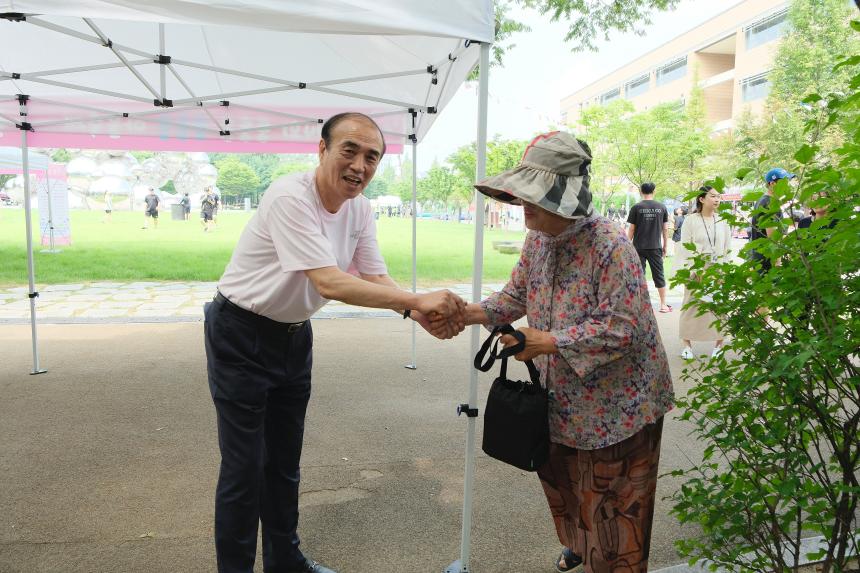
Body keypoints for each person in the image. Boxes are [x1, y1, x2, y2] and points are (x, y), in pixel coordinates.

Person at [204, 112, 466, 573]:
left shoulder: (360, 209)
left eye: (372, 157)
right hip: (239, 333)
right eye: (350, 150)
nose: (360, 166)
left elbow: (372, 273)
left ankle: (285, 560)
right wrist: (415, 299)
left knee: (284, 462)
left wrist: (414, 310)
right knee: (245, 469)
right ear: (321, 149)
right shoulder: (290, 196)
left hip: (293, 335)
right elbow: (330, 282)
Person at [444, 131, 674, 573]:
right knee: (568, 492)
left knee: (615, 512)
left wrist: (547, 340)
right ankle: (582, 549)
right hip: (562, 403)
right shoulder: (539, 240)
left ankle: (607, 561)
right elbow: (514, 296)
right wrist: (464, 313)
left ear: (565, 197)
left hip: (619, 411)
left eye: (533, 194)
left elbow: (620, 328)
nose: (521, 203)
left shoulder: (611, 247)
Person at [676, 186, 732, 360]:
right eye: (712, 196)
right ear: (701, 199)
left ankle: (719, 345)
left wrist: (723, 271)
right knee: (691, 306)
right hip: (696, 269)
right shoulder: (691, 220)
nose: (717, 199)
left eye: (718, 196)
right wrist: (696, 269)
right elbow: (685, 246)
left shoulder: (722, 220)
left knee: (718, 307)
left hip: (717, 269)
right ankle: (686, 345)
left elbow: (727, 248)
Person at [627, 182, 672, 313]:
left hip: (638, 247)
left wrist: (627, 246)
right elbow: (665, 229)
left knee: (638, 276)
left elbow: (631, 229)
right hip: (655, 247)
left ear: (641, 191)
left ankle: (639, 307)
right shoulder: (662, 207)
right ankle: (663, 305)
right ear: (654, 191)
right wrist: (665, 246)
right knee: (659, 275)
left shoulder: (636, 207)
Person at [748, 167, 792, 273]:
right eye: (784, 182)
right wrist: (778, 261)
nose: (787, 186)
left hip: (758, 259)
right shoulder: (770, 203)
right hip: (768, 262)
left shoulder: (761, 200)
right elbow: (773, 237)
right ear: (772, 184)